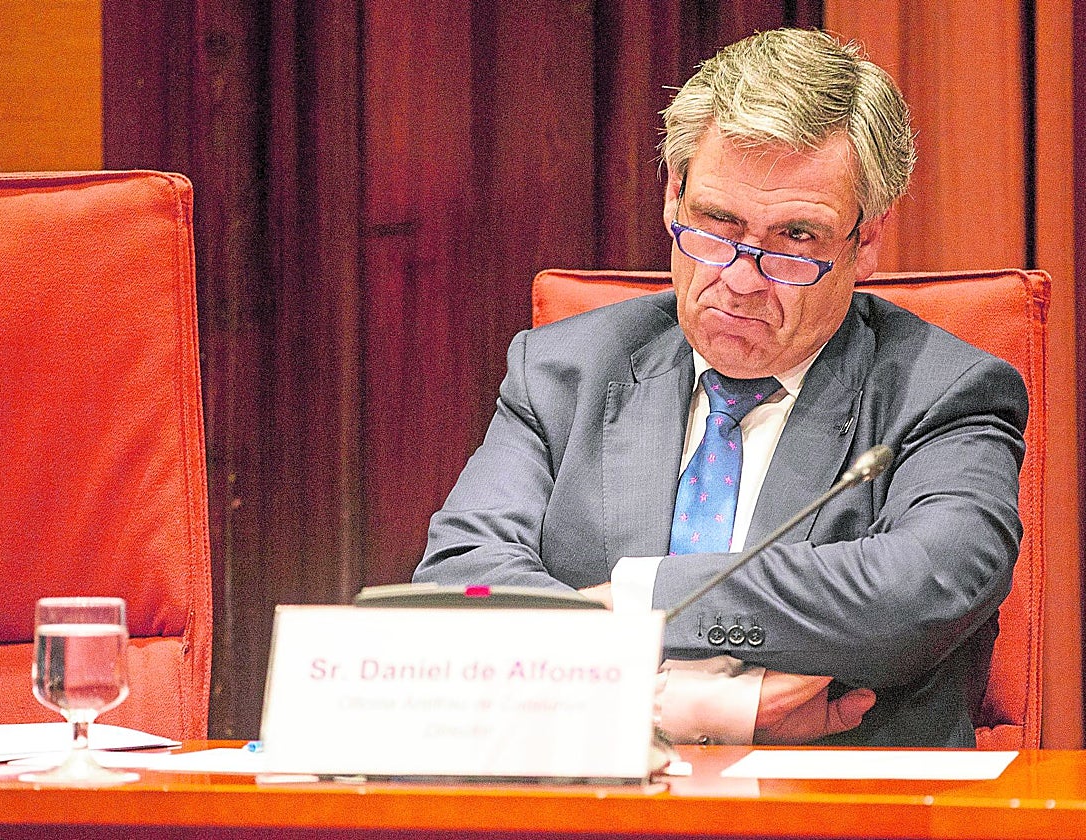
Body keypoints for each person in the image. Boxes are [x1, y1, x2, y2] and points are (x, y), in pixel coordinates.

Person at [414, 28, 1026, 747]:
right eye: (716, 224)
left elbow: (925, 584)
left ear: (864, 242)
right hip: (592, 785)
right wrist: (678, 706)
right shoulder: (564, 371)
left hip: (842, 796)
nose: (739, 279)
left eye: (795, 238)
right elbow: (461, 582)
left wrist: (645, 597)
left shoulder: (947, 392)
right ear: (673, 197)